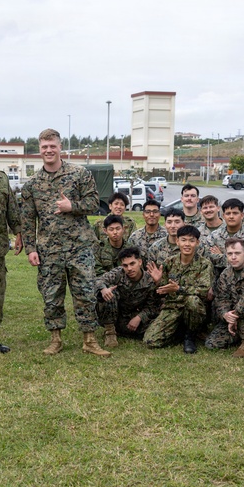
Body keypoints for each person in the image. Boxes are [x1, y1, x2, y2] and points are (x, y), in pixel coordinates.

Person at [20, 128, 109, 356]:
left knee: (85, 293)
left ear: (60, 148)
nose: (49, 150)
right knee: (52, 295)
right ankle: (55, 339)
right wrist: (30, 248)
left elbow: (94, 202)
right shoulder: (32, 184)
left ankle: (89, 340)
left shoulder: (79, 174)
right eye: (44, 147)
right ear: (39, 150)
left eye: (53, 146)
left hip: (79, 247)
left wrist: (73, 207)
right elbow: (28, 219)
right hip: (49, 250)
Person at [143, 225, 214, 354]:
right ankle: (178, 331)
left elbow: (204, 290)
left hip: (194, 308)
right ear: (177, 241)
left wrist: (179, 289)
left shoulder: (205, 264)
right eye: (183, 240)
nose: (187, 244)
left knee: (192, 301)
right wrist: (158, 281)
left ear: (197, 243)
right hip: (172, 307)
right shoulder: (169, 262)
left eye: (191, 240)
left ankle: (190, 335)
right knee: (150, 341)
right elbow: (161, 291)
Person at [205, 238, 244, 357]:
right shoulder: (226, 273)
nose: (233, 257)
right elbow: (221, 299)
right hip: (234, 315)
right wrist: (226, 315)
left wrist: (235, 316)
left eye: (237, 253)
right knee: (212, 343)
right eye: (229, 254)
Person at [95, 246, 161, 346]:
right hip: (116, 313)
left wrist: (139, 318)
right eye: (125, 265)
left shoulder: (149, 279)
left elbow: (152, 306)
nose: (129, 269)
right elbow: (98, 281)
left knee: (155, 326)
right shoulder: (118, 273)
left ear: (139, 262)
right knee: (109, 293)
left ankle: (123, 330)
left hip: (135, 315)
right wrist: (103, 289)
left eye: (132, 264)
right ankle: (110, 332)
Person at [202, 198, 244, 276]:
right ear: (223, 216)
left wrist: (221, 256)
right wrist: (237, 259)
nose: (231, 216)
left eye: (235, 213)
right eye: (228, 213)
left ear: (242, 215)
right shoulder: (213, 236)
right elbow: (208, 260)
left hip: (242, 280)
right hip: (217, 281)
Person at [146, 207, 210, 268]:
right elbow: (150, 273)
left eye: (177, 222)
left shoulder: (197, 247)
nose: (173, 226)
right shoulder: (156, 248)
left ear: (184, 224)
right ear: (165, 225)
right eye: (169, 222)